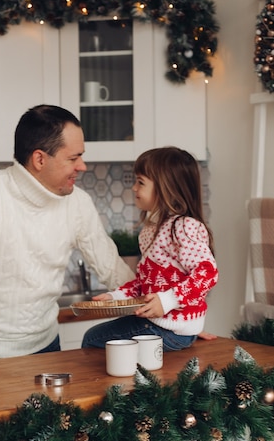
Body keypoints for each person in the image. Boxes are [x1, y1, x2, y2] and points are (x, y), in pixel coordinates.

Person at [0, 104, 133, 379]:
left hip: (47, 349)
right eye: (73, 158)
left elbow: (113, 269)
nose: (83, 166)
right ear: (40, 159)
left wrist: (171, 318)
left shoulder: (78, 203)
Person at [81, 146, 218, 352]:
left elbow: (207, 273)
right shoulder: (151, 231)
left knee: (93, 338)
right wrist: (115, 298)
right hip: (165, 327)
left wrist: (168, 301)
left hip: (168, 329)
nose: (134, 188)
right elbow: (146, 283)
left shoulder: (182, 226)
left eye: (140, 182)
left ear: (165, 188)